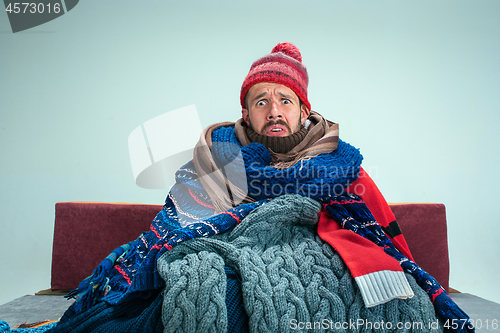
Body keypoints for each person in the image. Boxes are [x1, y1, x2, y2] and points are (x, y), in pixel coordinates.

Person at [43, 43, 473, 333]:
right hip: (233, 253)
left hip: (322, 260)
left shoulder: (341, 166)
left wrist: (413, 276)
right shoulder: (217, 156)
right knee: (199, 287)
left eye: (285, 99)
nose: (274, 109)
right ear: (245, 114)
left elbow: (381, 232)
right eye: (261, 100)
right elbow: (177, 226)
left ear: (304, 111)